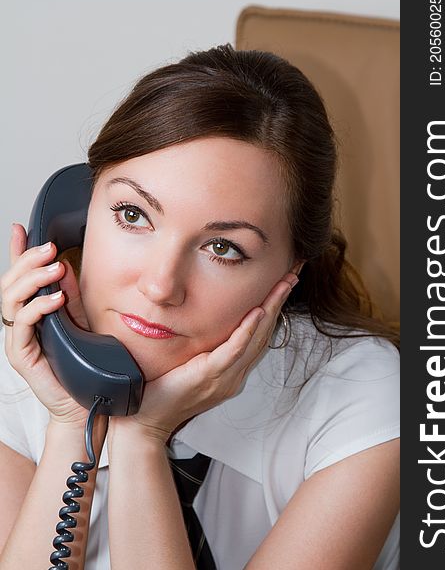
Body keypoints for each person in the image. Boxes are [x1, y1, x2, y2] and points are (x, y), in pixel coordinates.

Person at [0, 43, 399, 570]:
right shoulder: (20, 368)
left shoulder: (364, 398)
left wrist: (142, 438)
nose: (161, 286)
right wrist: (72, 423)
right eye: (132, 215)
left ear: (289, 273)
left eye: (223, 248)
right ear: (80, 208)